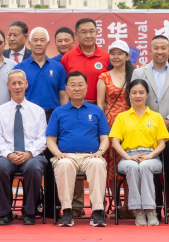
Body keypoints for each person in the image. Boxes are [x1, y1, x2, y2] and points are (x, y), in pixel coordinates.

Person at [134, 35, 169, 218]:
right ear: (150, 50)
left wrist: (168, 120)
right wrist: (151, 122)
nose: (160, 51)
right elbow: (135, 99)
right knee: (151, 171)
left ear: (168, 50)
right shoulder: (139, 72)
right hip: (147, 131)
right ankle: (154, 208)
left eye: (163, 48)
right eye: (156, 48)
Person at [47, 71, 111, 227]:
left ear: (87, 87)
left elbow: (105, 138)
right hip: (66, 156)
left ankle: (97, 212)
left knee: (97, 163)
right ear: (66, 89)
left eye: (80, 85)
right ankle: (67, 211)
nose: (76, 88)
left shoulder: (96, 110)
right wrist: (58, 154)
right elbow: (50, 140)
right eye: (72, 85)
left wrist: (100, 152)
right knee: (63, 164)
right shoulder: (58, 112)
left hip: (90, 156)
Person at [0, 70, 49, 225]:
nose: (17, 87)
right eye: (13, 83)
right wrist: (9, 154)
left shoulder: (38, 111)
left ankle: (29, 212)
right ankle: (5, 213)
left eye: (20, 83)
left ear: (26, 84)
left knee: (34, 167)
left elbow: (43, 139)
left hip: (32, 156)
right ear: (8, 86)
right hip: (6, 156)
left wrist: (29, 153)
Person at [110, 78, 169, 226]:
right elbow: (115, 142)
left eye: (141, 92)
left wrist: (149, 156)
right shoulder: (122, 117)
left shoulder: (156, 117)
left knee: (144, 166)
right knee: (131, 166)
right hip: (128, 156)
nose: (138, 96)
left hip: (151, 156)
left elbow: (161, 144)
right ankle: (137, 210)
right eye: (134, 92)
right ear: (129, 94)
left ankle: (150, 209)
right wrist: (128, 157)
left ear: (147, 94)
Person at [97, 40, 134, 216]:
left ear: (127, 56)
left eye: (120, 53)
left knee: (128, 162)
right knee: (111, 164)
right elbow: (100, 105)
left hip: (132, 125)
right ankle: (117, 204)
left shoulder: (135, 76)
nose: (116, 57)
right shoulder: (103, 77)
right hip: (110, 125)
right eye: (113, 53)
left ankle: (129, 204)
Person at [60, 18, 111, 103]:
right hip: (74, 106)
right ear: (76, 35)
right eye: (83, 32)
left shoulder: (107, 57)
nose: (88, 35)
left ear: (96, 33)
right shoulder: (67, 57)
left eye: (91, 31)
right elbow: (62, 87)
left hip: (99, 107)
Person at [19, 27, 67, 116]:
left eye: (42, 40)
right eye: (35, 40)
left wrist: (63, 115)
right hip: (29, 115)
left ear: (48, 43)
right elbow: (15, 96)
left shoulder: (58, 67)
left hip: (53, 116)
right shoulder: (19, 68)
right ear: (29, 43)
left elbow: (63, 96)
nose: (38, 43)